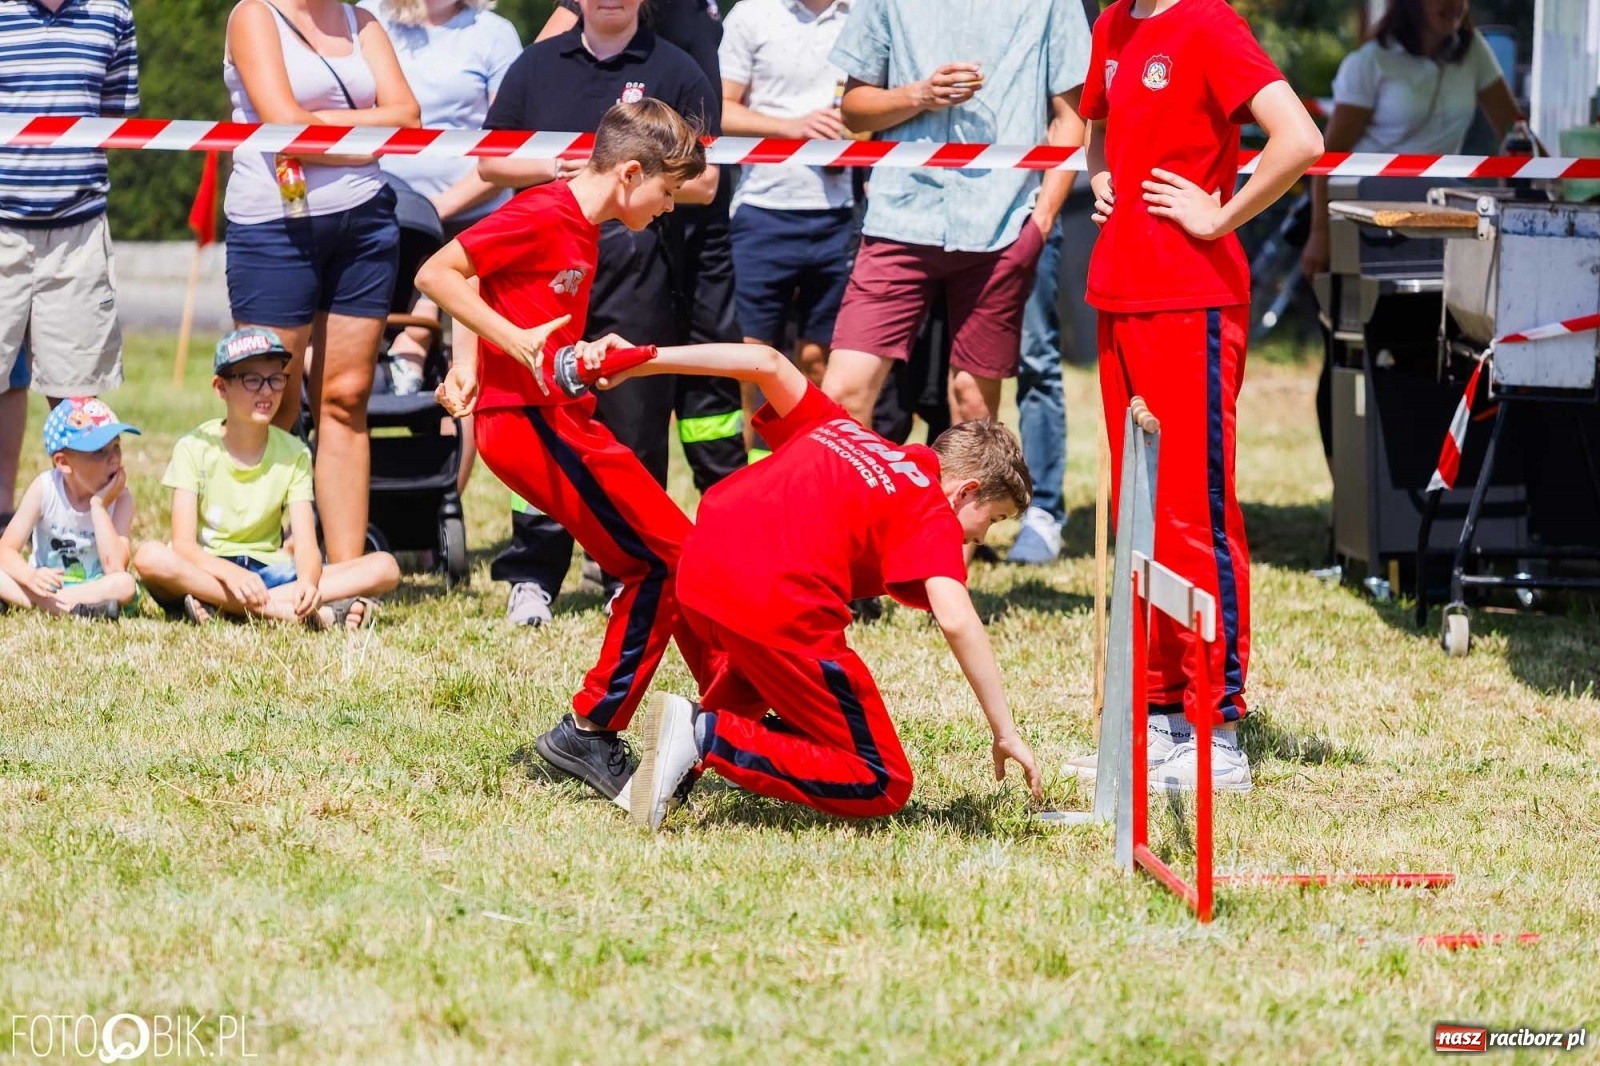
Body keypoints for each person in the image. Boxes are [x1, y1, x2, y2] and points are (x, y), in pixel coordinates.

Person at [564, 342, 1043, 830]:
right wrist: (1004, 729)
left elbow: (768, 363)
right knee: (882, 780)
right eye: (994, 518)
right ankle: (704, 735)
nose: (982, 537)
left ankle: (689, 747)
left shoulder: (846, 431)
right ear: (966, 491)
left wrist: (645, 360)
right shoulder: (931, 507)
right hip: (775, 599)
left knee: (761, 673)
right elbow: (958, 618)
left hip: (701, 567)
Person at [418, 99, 720, 802]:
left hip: (559, 414)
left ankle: (732, 717)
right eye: (669, 192)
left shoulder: (586, 228)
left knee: (684, 550)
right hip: (527, 425)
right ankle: (589, 730)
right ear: (631, 174)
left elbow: (489, 281)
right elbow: (439, 272)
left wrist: (569, 355)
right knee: (655, 568)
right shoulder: (543, 212)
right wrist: (508, 346)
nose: (670, 208)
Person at [1078, 0, 1323, 791]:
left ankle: (1214, 724)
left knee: (1192, 514)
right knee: (1138, 511)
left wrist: (1220, 215)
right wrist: (1099, 176)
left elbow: (1302, 141)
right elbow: (1096, 131)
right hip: (1120, 295)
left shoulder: (1210, 23)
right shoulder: (1113, 24)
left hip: (1191, 302)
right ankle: (1155, 717)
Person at [479, 0, 734, 628]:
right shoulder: (535, 66)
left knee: (632, 420)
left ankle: (628, 568)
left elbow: (706, 179)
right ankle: (535, 574)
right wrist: (554, 169)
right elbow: (487, 161)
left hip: (640, 265)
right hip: (548, 260)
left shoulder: (675, 67)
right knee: (538, 420)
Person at [820, 0, 1092, 429]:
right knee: (842, 395)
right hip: (899, 218)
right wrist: (919, 94)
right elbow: (853, 108)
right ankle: (856, 498)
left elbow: (1071, 115)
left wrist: (1039, 223)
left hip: (1001, 223)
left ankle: (963, 498)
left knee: (973, 410)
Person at [222, 0, 420, 564]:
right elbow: (284, 126)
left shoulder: (365, 20)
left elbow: (409, 118)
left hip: (366, 224)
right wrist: (349, 127)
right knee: (267, 397)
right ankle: (251, 558)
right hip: (274, 227)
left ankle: (345, 568)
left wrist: (315, 127)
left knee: (346, 397)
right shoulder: (253, 15)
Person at [1301, 0, 1519, 463]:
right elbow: (1326, 158)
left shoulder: (1474, 51)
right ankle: (1349, 485)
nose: (1456, 5)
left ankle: (1414, 473)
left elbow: (1513, 131)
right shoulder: (1370, 64)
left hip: (1442, 227)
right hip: (1363, 229)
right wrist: (1319, 234)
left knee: (1431, 354)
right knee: (1348, 356)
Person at [133, 329, 401, 629]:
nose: (266, 391)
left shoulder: (294, 452)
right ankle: (284, 612)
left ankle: (222, 605)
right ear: (221, 387)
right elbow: (184, 547)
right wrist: (231, 574)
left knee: (385, 567)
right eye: (252, 380)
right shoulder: (193, 447)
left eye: (275, 379)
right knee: (149, 556)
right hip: (212, 569)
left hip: (272, 572)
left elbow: (306, 545)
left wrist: (310, 583)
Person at [0, 0, 138, 532]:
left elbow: (114, 117)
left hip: (78, 232)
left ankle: (87, 537)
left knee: (80, 398)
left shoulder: (114, 12)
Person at [357, 0, 520, 412]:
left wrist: (435, 208)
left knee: (465, 366)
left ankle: (416, 353)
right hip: (379, 212)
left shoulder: (494, 33)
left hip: (469, 219)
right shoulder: (366, 17)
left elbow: (509, 148)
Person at [718, 0, 856, 390]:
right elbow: (721, 109)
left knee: (819, 360)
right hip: (762, 211)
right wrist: (790, 128)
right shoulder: (751, 13)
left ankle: (814, 452)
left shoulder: (863, 13)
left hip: (841, 214)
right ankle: (756, 455)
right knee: (748, 362)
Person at [0, 397, 139, 620]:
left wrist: (99, 506)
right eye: (99, 451)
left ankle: (37, 603)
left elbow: (115, 568)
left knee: (125, 584)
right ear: (63, 462)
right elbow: (5, 550)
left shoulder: (121, 499)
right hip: (45, 583)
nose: (114, 458)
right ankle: (72, 608)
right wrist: (29, 575)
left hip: (96, 587)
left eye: (116, 447)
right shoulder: (44, 488)